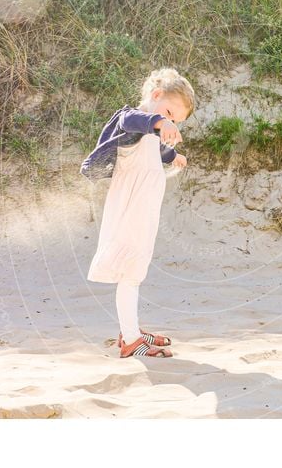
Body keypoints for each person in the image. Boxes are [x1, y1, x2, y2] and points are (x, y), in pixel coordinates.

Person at [82, 68, 195, 357]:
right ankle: (131, 341)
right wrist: (159, 120)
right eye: (169, 113)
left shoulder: (150, 131)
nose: (169, 122)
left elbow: (153, 146)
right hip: (131, 207)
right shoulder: (132, 120)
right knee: (131, 270)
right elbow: (132, 121)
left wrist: (173, 155)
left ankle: (129, 328)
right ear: (156, 96)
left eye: (174, 121)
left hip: (144, 208)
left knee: (136, 268)